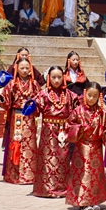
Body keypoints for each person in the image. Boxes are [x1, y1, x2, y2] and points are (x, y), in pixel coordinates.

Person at [66, 82, 106, 210]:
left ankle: (94, 200)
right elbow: (68, 125)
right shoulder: (77, 111)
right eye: (89, 95)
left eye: (95, 96)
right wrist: (78, 129)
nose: (92, 98)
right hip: (81, 148)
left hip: (96, 148)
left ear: (99, 96)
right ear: (84, 94)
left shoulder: (102, 113)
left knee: (95, 176)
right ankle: (83, 202)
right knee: (83, 175)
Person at [0, 57, 40, 185]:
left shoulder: (34, 84)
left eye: (27, 68)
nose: (24, 70)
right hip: (16, 116)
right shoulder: (12, 84)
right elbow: (6, 101)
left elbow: (39, 100)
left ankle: (30, 175)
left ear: (30, 69)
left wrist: (35, 107)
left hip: (29, 117)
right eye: (22, 68)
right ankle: (14, 175)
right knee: (16, 142)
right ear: (16, 69)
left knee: (30, 144)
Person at [33, 66, 73, 198]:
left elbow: (79, 107)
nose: (56, 80)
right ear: (48, 78)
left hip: (64, 130)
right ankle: (46, 189)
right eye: (53, 77)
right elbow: (35, 110)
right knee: (47, 158)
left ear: (63, 78)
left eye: (59, 77)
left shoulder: (69, 94)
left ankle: (63, 187)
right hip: (48, 130)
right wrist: (31, 107)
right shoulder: (43, 94)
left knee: (63, 158)